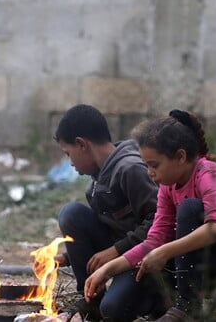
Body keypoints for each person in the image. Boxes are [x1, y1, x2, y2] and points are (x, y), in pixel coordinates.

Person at [84, 110, 216, 321]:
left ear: (181, 157)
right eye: (146, 165)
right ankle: (198, 302)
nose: (149, 172)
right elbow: (154, 240)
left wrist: (164, 252)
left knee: (189, 209)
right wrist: (108, 269)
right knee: (117, 305)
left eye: (154, 165)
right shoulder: (169, 188)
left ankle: (187, 307)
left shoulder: (209, 173)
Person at [53, 104, 168, 321]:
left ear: (81, 144)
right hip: (123, 254)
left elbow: (159, 221)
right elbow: (109, 230)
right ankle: (90, 300)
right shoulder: (96, 182)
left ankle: (157, 299)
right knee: (72, 214)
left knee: (113, 310)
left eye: (69, 154)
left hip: (146, 260)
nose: (70, 162)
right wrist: (69, 256)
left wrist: (116, 250)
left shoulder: (130, 169)